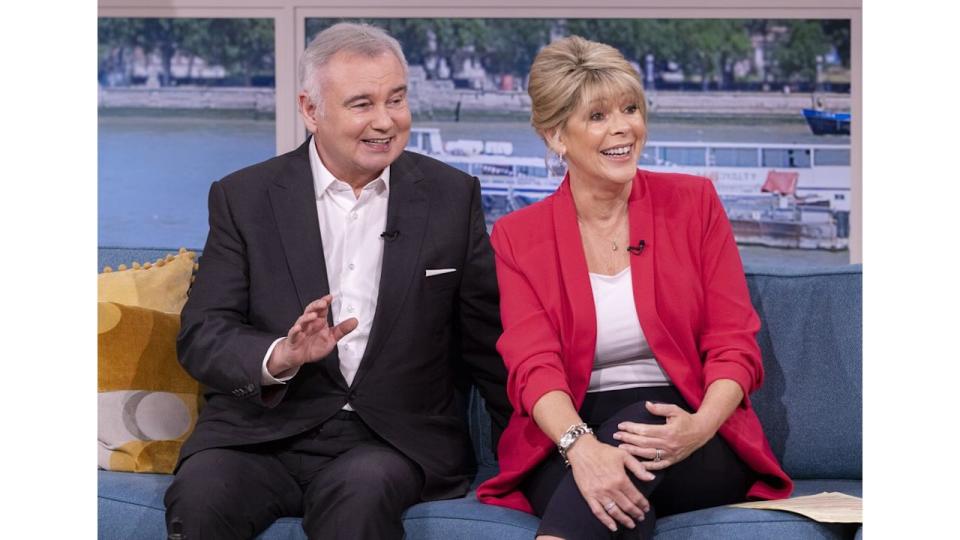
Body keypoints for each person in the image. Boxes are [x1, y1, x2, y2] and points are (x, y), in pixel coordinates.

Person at [164, 22, 511, 539]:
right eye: (362, 104)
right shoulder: (245, 198)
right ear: (310, 110)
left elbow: (491, 342)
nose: (386, 122)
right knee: (201, 494)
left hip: (389, 442)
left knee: (361, 498)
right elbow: (203, 334)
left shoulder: (450, 197)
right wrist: (280, 355)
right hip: (260, 434)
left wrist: (546, 451)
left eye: (396, 100)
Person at [476, 36, 792, 539]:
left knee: (628, 448)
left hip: (690, 429)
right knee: (615, 493)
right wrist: (583, 449)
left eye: (630, 108)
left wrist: (701, 425)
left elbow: (734, 344)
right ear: (557, 136)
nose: (624, 126)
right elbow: (532, 366)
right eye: (598, 116)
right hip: (568, 434)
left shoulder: (694, 204)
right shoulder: (519, 236)